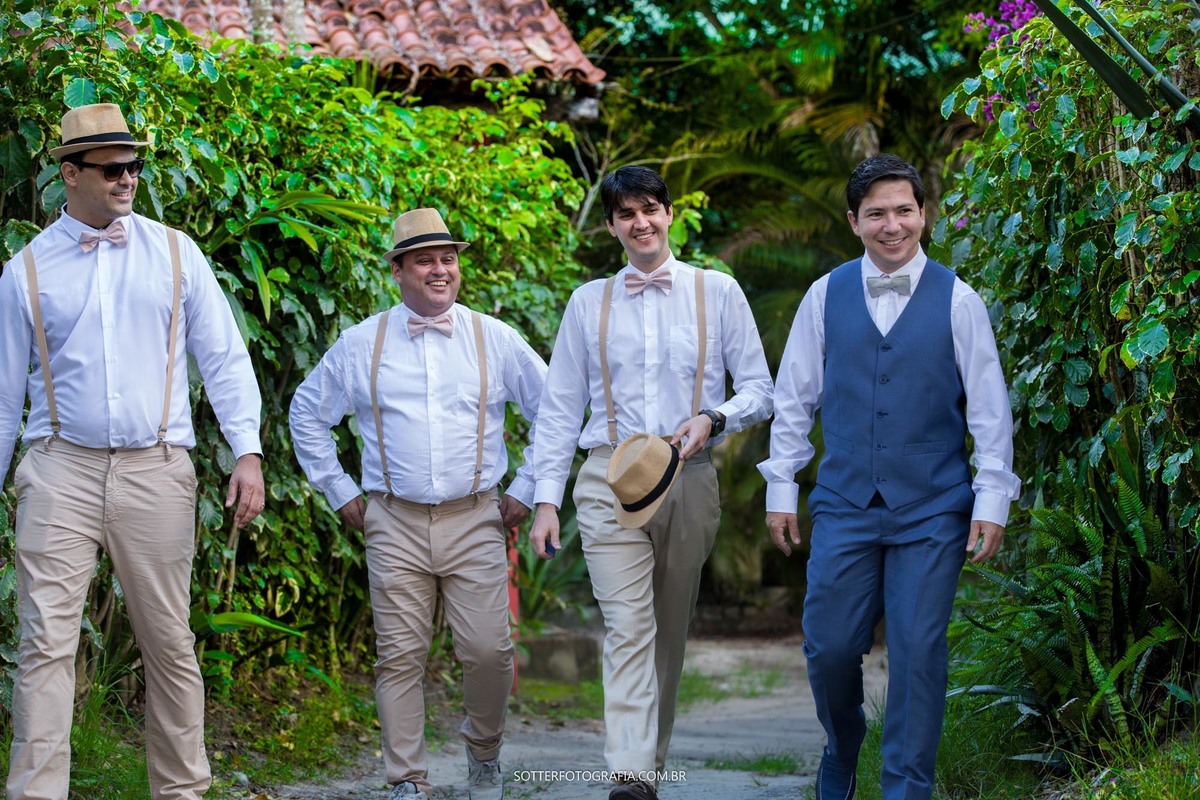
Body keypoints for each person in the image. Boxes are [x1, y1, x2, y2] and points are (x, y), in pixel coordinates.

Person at [0, 103, 265, 800]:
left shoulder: (177, 253)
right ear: (69, 174)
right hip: (59, 467)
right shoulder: (25, 271)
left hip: (157, 467)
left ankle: (180, 792)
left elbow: (226, 361)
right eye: (112, 168)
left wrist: (248, 452)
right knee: (45, 645)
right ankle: (34, 794)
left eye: (134, 166)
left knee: (169, 641)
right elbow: (3, 396)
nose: (127, 178)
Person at [758, 153, 1021, 800]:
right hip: (846, 501)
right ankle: (843, 745)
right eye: (876, 213)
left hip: (933, 508)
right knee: (828, 649)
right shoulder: (825, 296)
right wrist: (782, 486)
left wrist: (992, 500)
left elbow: (989, 410)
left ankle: (906, 787)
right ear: (854, 221)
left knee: (918, 650)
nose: (892, 224)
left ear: (924, 214)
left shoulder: (959, 301)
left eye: (904, 210)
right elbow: (794, 399)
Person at [529, 166, 773, 800]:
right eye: (626, 214)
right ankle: (630, 776)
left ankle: (649, 763)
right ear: (611, 226)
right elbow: (559, 409)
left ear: (669, 214)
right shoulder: (588, 302)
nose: (641, 223)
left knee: (668, 629)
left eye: (650, 210)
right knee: (629, 627)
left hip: (687, 476)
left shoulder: (717, 291)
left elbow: (760, 389)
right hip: (608, 478)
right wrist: (546, 500)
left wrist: (714, 417)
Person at [288, 208, 545, 800]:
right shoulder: (360, 343)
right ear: (397, 270)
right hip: (393, 519)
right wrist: (340, 491)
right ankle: (407, 780)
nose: (440, 270)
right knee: (398, 655)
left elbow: (552, 411)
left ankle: (484, 754)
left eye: (448, 259)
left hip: (476, 516)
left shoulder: (495, 339)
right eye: (425, 260)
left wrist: (527, 487)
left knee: (488, 651)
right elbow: (307, 413)